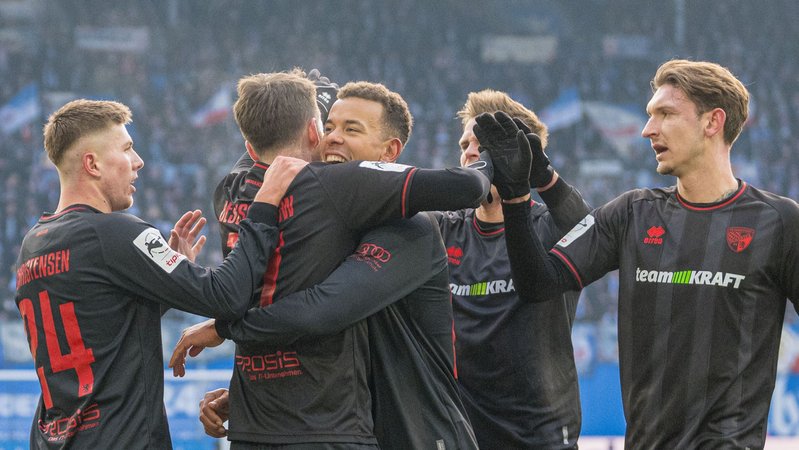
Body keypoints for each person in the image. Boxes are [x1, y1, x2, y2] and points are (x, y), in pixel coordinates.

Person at [480, 59, 799, 448]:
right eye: (651, 116)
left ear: (712, 122)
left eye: (666, 114)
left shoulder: (780, 222)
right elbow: (538, 284)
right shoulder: (631, 212)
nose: (648, 130)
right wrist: (516, 199)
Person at [179, 71, 490, 448]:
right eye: (328, 125)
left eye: (352, 129)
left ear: (389, 155)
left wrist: (224, 327)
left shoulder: (410, 228)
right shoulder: (330, 207)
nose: (334, 137)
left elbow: (322, 310)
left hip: (422, 432)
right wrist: (244, 395)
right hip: (353, 424)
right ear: (314, 131)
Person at [14, 98, 289, 449]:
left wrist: (166, 278)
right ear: (92, 163)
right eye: (127, 148)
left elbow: (102, 329)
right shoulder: (115, 232)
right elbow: (227, 296)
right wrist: (261, 208)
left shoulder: (33, 244)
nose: (138, 161)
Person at [428, 89, 590, 449]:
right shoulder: (443, 229)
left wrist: (541, 173)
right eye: (464, 143)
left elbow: (586, 225)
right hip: (464, 434)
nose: (468, 151)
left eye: (480, 144)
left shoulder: (550, 226)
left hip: (540, 435)